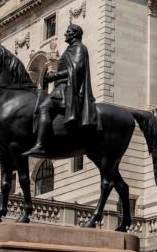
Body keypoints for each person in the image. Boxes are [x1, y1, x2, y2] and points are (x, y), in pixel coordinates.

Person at [22, 24, 99, 157]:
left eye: (68, 32)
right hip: (61, 88)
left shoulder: (79, 48)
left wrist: (54, 76)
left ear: (75, 34)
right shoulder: (71, 49)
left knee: (44, 108)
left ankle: (40, 145)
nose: (65, 34)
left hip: (66, 89)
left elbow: (76, 70)